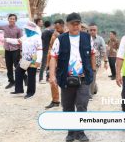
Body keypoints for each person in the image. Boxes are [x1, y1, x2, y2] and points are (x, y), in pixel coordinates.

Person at [49, 13, 95, 142]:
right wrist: (52, 75)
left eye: (78, 23)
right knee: (68, 106)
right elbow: (53, 57)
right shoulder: (61, 39)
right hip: (66, 78)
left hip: (83, 78)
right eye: (73, 24)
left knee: (82, 105)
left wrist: (93, 70)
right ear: (67, 25)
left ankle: (80, 132)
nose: (76, 26)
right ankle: (70, 132)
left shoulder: (87, 38)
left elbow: (92, 54)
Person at [7, 21, 42, 99]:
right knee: (18, 71)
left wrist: (38, 61)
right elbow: (17, 41)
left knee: (31, 76)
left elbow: (39, 49)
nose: (25, 30)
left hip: (33, 58)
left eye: (26, 29)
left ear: (31, 30)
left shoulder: (37, 37)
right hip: (25, 58)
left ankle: (30, 93)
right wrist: (7, 40)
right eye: (25, 29)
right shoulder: (25, 36)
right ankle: (19, 90)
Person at [45, 19, 65, 109]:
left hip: (66, 63)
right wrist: (48, 64)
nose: (56, 29)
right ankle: (55, 100)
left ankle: (67, 101)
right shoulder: (54, 36)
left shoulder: (69, 35)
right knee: (52, 81)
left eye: (58, 27)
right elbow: (51, 50)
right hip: (55, 62)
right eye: (55, 28)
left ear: (62, 25)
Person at [88, 23, 107, 100]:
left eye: (94, 30)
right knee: (88, 77)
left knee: (92, 76)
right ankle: (94, 88)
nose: (92, 31)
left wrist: (105, 61)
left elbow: (103, 51)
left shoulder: (100, 39)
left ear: (97, 30)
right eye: (91, 30)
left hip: (96, 61)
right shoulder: (85, 38)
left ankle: (90, 94)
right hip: (86, 60)